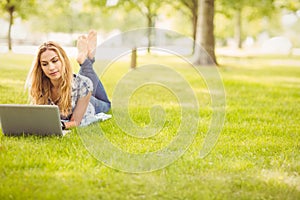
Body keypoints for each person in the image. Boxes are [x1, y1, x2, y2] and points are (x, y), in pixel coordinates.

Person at [27, 30, 111, 129]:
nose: (51, 67)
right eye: (45, 64)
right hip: (78, 88)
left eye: (55, 61)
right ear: (40, 67)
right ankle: (88, 59)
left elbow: (75, 122)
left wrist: (59, 126)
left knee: (106, 104)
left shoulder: (83, 84)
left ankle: (86, 60)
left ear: (63, 60)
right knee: (81, 80)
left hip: (89, 103)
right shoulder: (39, 86)